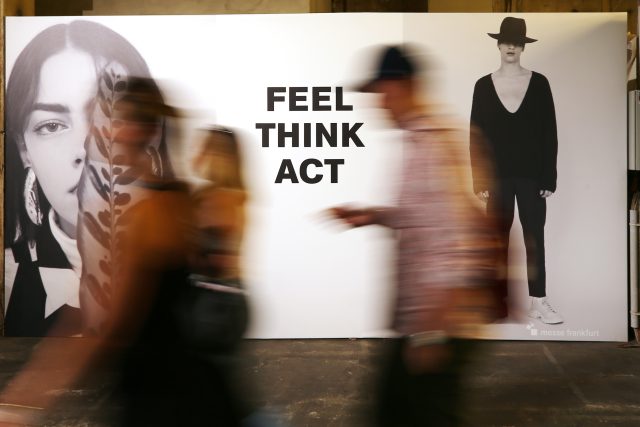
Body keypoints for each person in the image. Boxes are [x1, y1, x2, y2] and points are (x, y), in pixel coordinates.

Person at [329, 45, 498, 427]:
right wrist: (373, 215)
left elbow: (459, 241)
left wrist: (432, 333)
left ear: (406, 86)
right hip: (422, 321)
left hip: (434, 322)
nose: (377, 103)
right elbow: (427, 217)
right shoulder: (417, 138)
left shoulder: (432, 143)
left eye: (382, 91)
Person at [4, 20, 173, 337]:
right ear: (24, 149)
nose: (87, 148)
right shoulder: (8, 280)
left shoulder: (192, 269)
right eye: (52, 125)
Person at [470, 17, 562, 324]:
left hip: (532, 176)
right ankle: (495, 303)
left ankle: (539, 301)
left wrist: (549, 176)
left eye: (517, 42)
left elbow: (549, 131)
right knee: (496, 239)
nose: (511, 46)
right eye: (506, 41)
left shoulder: (540, 83)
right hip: (495, 178)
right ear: (498, 44)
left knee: (534, 238)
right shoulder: (483, 86)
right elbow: (476, 134)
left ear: (523, 47)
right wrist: (478, 179)